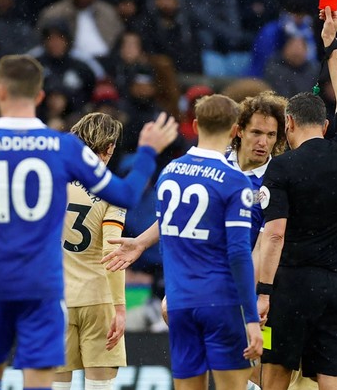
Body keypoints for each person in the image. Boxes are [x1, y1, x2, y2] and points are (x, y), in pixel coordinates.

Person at [0, 54, 178, 390]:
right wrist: (147, 153)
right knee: (42, 381)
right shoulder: (63, 148)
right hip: (44, 288)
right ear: (40, 96)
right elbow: (124, 194)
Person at [103, 94, 263, 389]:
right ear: (234, 131)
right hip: (220, 303)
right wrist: (251, 319)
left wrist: (140, 242)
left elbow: (169, 225)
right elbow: (239, 253)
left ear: (196, 124)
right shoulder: (235, 181)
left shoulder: (170, 173)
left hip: (179, 303)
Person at [256, 6, 337, 390]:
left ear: (288, 124)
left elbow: (274, 236)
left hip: (292, 286)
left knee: (277, 373)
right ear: (328, 124)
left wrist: (263, 292)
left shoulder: (280, 168)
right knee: (331, 377)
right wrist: (330, 44)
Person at [52, 113, 129, 390]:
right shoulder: (113, 192)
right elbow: (114, 251)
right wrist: (119, 308)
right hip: (98, 299)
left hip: (56, 298)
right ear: (108, 149)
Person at [227, 91, 287, 256]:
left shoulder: (276, 183)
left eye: (271, 135)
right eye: (256, 132)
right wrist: (146, 242)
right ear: (239, 131)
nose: (263, 143)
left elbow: (262, 248)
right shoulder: (216, 161)